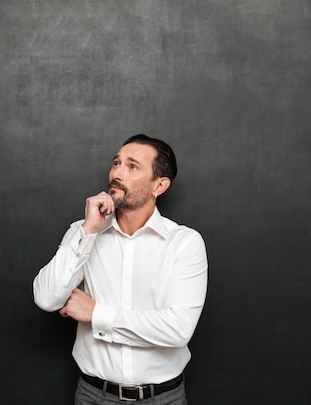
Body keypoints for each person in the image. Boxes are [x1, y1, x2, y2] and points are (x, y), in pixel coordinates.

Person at [33, 134, 208, 404]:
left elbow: (177, 330)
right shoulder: (83, 231)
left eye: (132, 166)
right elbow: (47, 298)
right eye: (116, 163)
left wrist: (96, 313)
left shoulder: (184, 243)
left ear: (159, 185)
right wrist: (89, 230)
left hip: (162, 398)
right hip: (93, 396)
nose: (117, 172)